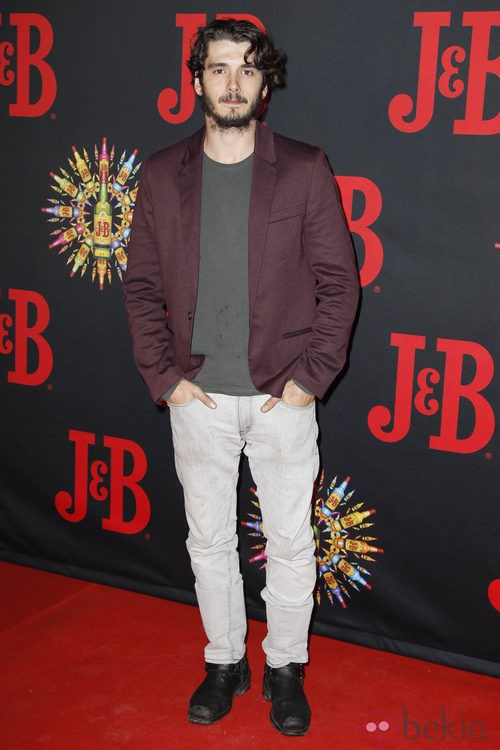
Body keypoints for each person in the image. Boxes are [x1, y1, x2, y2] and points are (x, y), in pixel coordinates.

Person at [123, 18, 359, 736]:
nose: (232, 83)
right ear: (197, 80)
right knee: (208, 544)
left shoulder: (306, 168)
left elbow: (339, 284)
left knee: (290, 544)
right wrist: (166, 379)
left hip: (281, 396)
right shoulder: (161, 174)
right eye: (219, 68)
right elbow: (141, 288)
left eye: (247, 69)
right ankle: (224, 661)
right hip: (196, 397)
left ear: (265, 84)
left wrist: (308, 380)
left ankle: (285, 666)